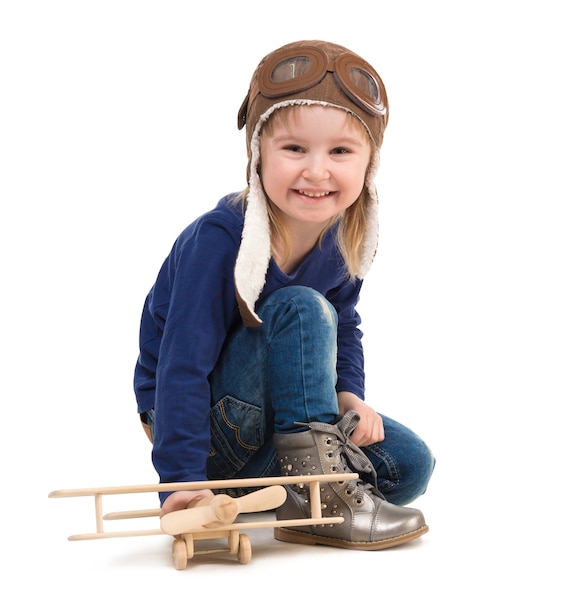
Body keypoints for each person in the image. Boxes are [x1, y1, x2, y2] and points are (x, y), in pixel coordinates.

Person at [134, 39, 435, 550]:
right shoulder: (220, 238)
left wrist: (349, 395)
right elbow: (181, 363)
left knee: (408, 465)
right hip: (208, 429)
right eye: (294, 149)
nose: (317, 171)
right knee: (300, 305)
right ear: (258, 154)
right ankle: (318, 495)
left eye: (340, 151)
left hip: (282, 425)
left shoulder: (344, 240)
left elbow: (345, 324)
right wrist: (182, 477)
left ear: (368, 165)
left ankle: (299, 496)